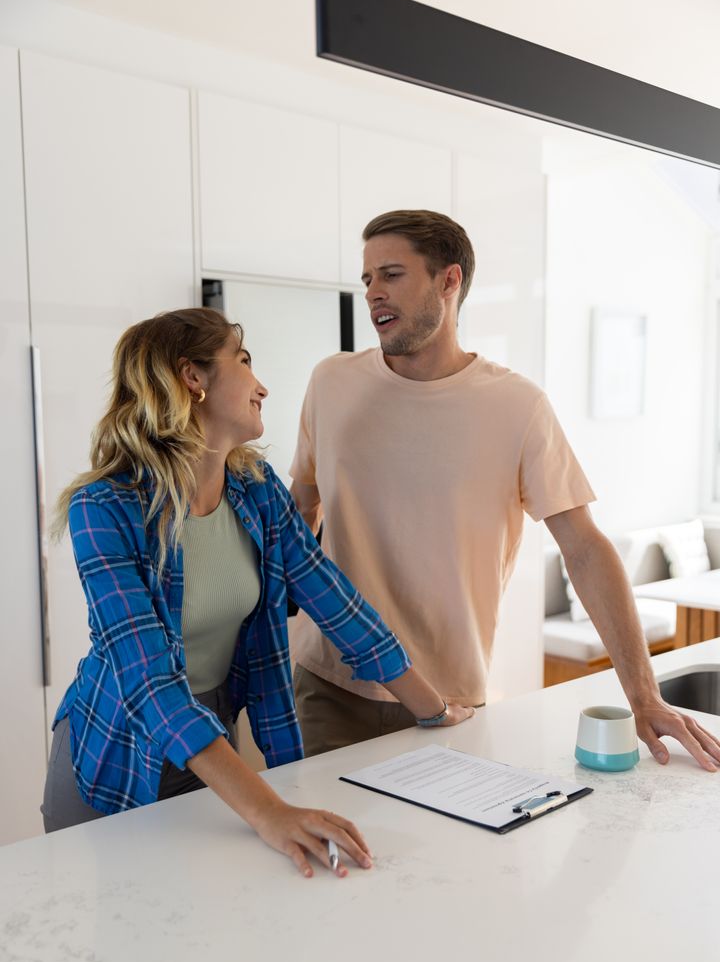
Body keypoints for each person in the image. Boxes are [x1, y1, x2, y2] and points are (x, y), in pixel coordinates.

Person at [42, 307, 474, 877]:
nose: (261, 385)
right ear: (192, 378)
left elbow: (336, 602)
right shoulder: (104, 508)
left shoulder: (257, 489)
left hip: (212, 749)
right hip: (115, 754)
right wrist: (270, 812)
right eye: (244, 361)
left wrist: (434, 711)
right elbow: (150, 681)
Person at [290, 208, 720, 772]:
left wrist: (644, 696)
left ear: (449, 280)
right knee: (327, 833)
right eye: (367, 278)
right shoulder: (331, 382)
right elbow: (299, 513)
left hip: (451, 700)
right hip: (330, 686)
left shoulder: (517, 406)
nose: (373, 292)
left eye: (391, 274)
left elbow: (584, 548)